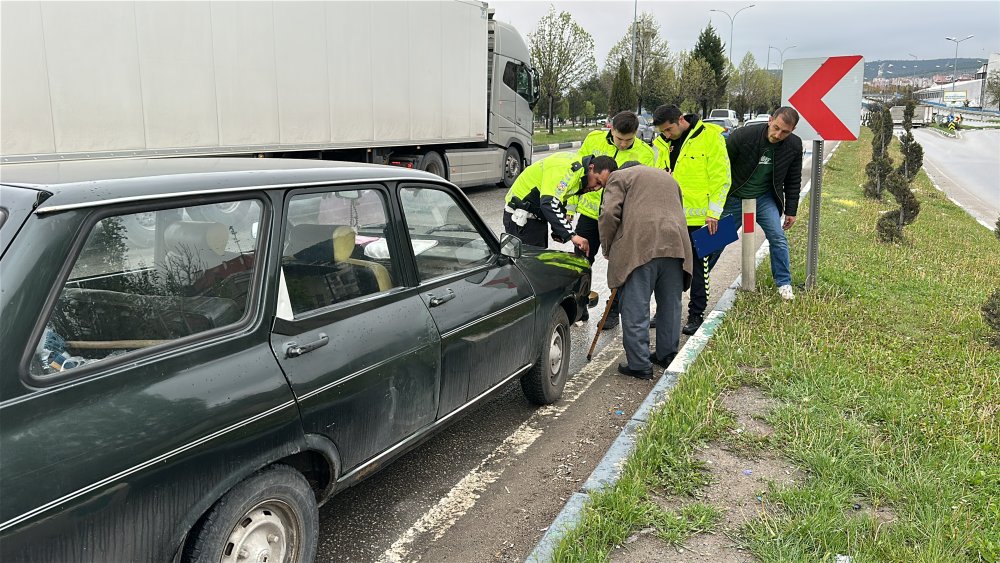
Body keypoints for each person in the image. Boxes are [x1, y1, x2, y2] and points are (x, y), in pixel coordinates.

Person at [599, 162, 693, 380]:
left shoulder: (620, 176)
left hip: (641, 247)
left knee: (635, 306)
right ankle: (667, 354)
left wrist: (608, 246)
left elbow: (609, 214)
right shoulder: (668, 178)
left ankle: (639, 365)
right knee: (670, 304)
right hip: (676, 245)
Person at [650, 105, 731, 335]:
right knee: (667, 267)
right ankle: (665, 311)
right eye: (662, 132)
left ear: (681, 119)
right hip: (670, 216)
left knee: (698, 269)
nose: (666, 135)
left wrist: (714, 212)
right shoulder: (662, 143)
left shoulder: (710, 137)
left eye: (669, 129)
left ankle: (696, 313)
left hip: (700, 219)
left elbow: (722, 178)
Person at [574, 110, 656, 330]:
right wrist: (571, 206)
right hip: (590, 215)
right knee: (581, 263)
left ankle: (612, 312)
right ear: (611, 129)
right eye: (619, 138)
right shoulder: (594, 140)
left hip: (621, 219)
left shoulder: (645, 153)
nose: (623, 144)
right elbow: (576, 174)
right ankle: (579, 307)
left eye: (628, 140)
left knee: (620, 266)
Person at [712, 106, 803, 300]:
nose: (778, 135)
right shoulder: (743, 136)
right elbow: (718, 168)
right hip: (734, 197)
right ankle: (695, 281)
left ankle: (784, 284)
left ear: (793, 131)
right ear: (770, 120)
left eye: (785, 132)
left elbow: (793, 180)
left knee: (778, 237)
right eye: (776, 128)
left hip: (764, 198)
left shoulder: (794, 145)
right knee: (714, 241)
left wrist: (791, 210)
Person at [503, 153, 618, 255]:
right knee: (527, 266)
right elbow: (549, 203)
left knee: (536, 263)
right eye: (598, 182)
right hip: (521, 218)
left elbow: (558, 199)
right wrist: (572, 235)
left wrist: (559, 229)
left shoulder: (579, 170)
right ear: (591, 168)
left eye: (601, 187)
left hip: (533, 217)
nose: (596, 188)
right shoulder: (569, 170)